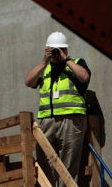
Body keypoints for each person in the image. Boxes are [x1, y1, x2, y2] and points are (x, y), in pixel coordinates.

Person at [24, 31, 91, 186]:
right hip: (47, 121)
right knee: (43, 158)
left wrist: (66, 60)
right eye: (53, 50)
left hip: (72, 119)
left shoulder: (77, 63)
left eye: (60, 49)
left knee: (69, 162)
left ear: (66, 50)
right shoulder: (45, 69)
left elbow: (84, 77)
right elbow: (28, 81)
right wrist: (44, 61)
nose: (56, 53)